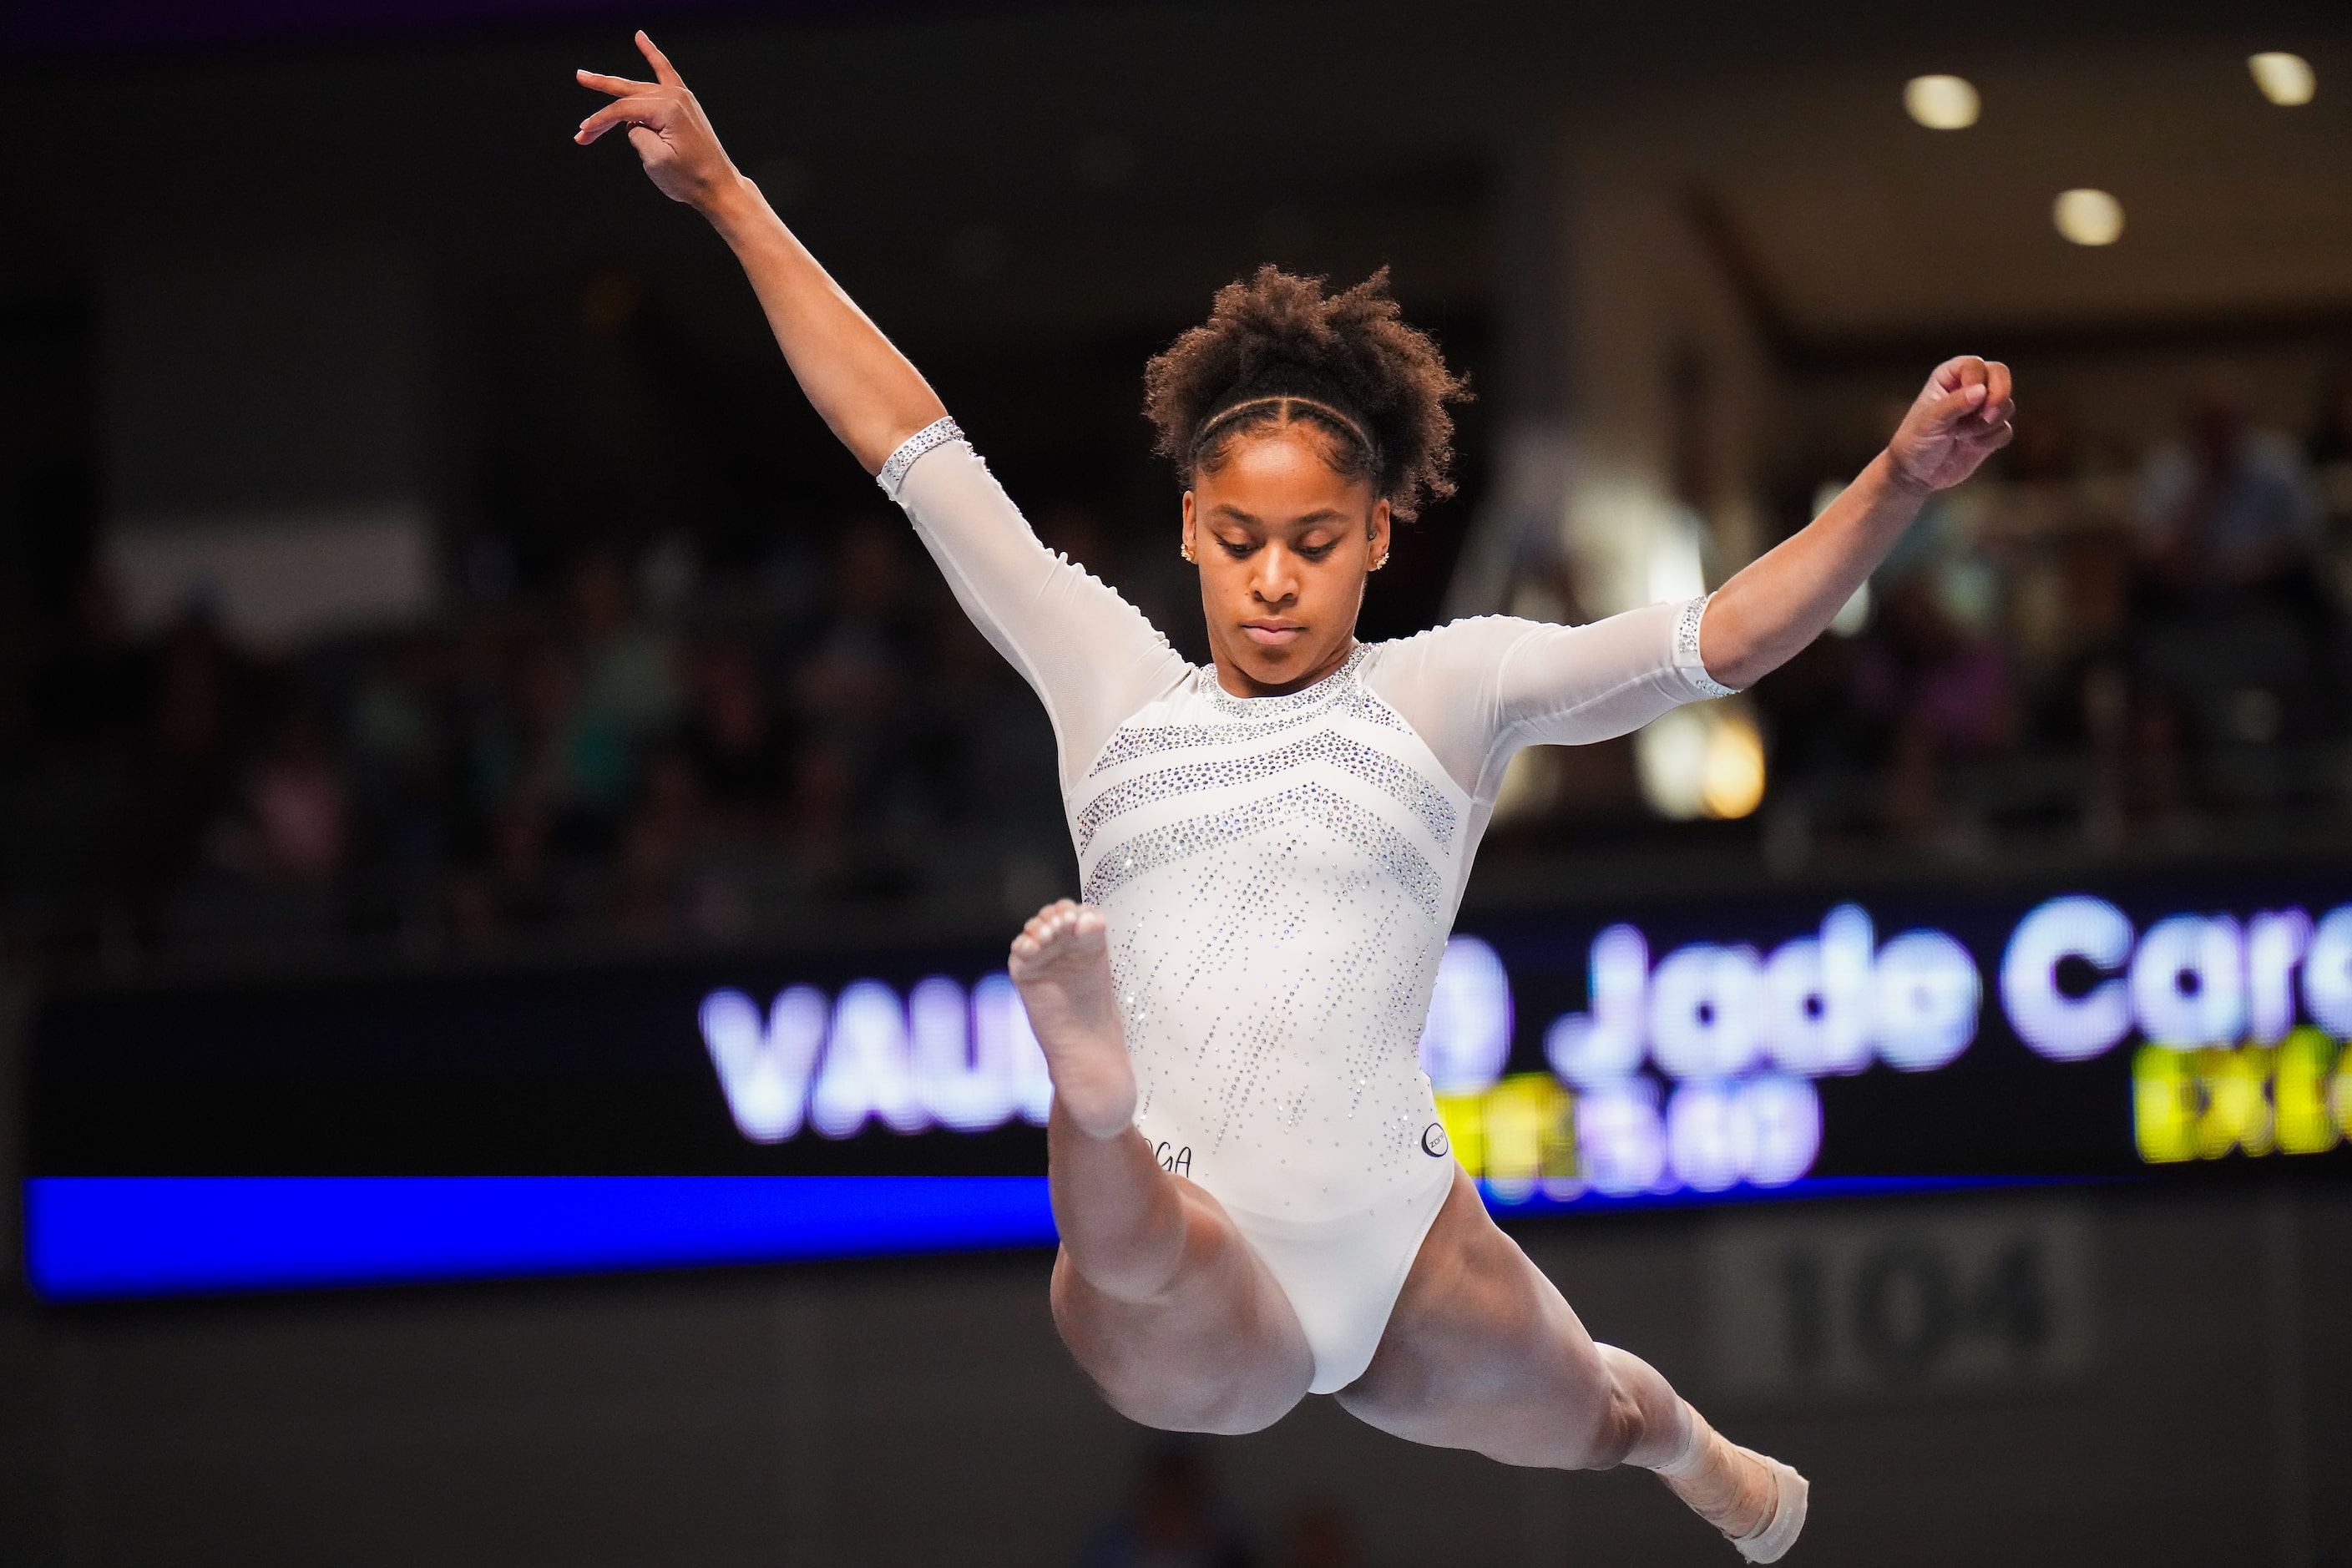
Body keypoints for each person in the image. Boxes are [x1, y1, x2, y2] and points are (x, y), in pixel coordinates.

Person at [577, 34, 2016, 1561]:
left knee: (1599, 1416)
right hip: (1191, 1242)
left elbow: (1718, 640)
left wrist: (1897, 483)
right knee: (1132, 1263)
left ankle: (1693, 1447)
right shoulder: (1107, 678)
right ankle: (1096, 1096)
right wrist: (727, 194)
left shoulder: (1449, 690)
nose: (1274, 577)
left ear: (1380, 537)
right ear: (1189, 526)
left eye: (1316, 541)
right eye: (1243, 536)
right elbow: (906, 442)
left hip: (1399, 1241)